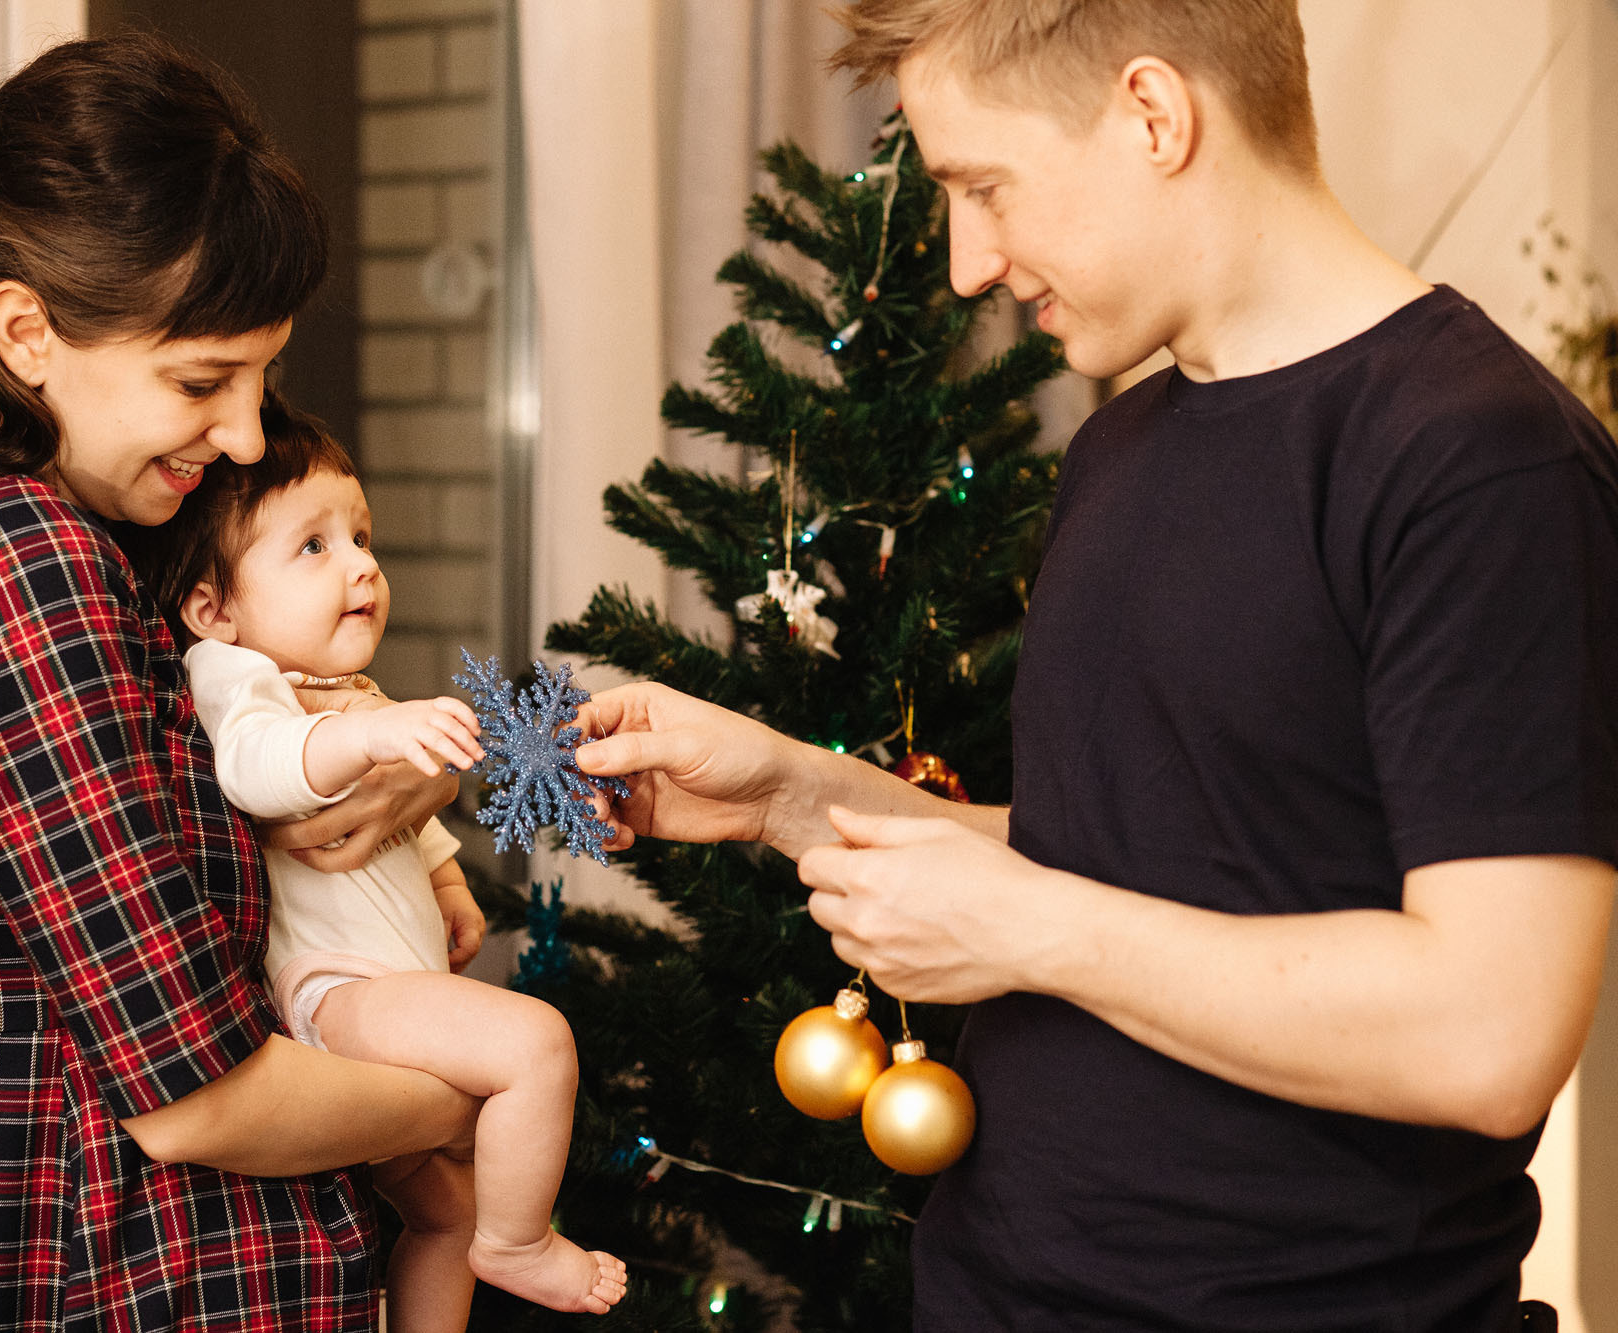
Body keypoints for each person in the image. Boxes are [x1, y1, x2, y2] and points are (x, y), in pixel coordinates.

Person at [571, 1, 1618, 1327]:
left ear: (1154, 114)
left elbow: (1489, 1035)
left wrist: (1030, 932)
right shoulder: (1118, 450)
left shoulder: (1480, 462)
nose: (965, 262)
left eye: (983, 187)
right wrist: (788, 796)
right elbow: (1136, 862)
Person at [0, 33, 484, 1332]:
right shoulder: (20, 564)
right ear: (24, 328)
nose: (242, 432)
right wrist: (484, 1083)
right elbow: (196, 1096)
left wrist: (405, 778)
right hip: (122, 1264)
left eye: (260, 375)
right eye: (201, 380)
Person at [120, 404, 628, 1326]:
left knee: (444, 1219)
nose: (361, 563)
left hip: (390, 986)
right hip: (338, 994)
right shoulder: (237, 681)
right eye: (312, 546)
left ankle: (472, 1255)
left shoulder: (346, 696)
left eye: (360, 536)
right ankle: (520, 1244)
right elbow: (260, 769)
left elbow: (404, 824)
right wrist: (373, 733)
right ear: (212, 609)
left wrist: (448, 883)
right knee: (538, 1043)